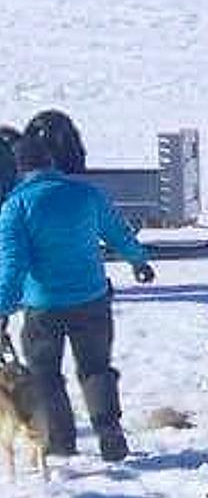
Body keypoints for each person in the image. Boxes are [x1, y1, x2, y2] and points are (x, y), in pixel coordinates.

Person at [0, 107, 153, 464]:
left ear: (20, 169)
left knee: (45, 376)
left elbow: (12, 265)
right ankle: (109, 431)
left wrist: (3, 308)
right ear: (51, 161)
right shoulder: (86, 194)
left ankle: (61, 442)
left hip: (43, 307)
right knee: (96, 368)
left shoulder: (15, 206)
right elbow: (117, 231)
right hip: (92, 299)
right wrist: (138, 261)